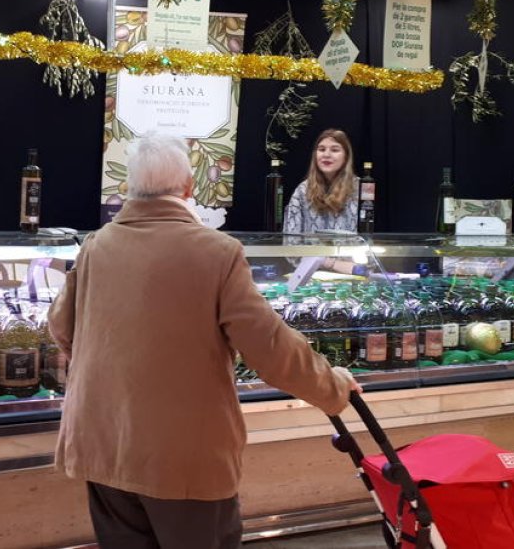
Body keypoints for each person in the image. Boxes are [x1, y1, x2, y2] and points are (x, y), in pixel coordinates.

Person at [46, 133, 360, 549]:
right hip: (183, 457)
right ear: (189, 189)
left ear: (129, 187)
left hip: (103, 445)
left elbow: (60, 327)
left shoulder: (94, 246)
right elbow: (269, 347)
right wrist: (333, 387)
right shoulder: (217, 252)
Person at [283, 128, 359, 235]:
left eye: (335, 150)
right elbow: (290, 237)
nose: (326, 155)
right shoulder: (302, 190)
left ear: (346, 156)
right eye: (322, 149)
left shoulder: (359, 189)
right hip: (309, 251)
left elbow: (366, 236)